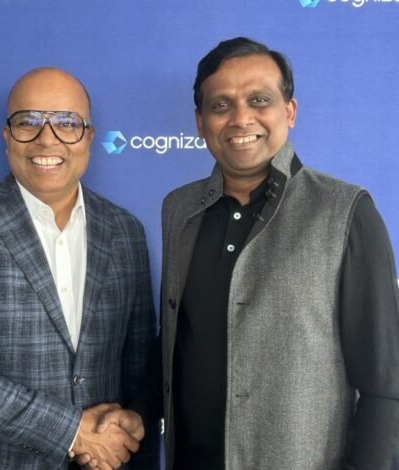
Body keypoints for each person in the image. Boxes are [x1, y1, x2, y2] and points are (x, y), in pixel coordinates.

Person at [158, 37, 399, 469]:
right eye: (221, 105)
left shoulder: (345, 212)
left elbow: (385, 384)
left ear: (289, 111)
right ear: (200, 122)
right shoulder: (179, 209)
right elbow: (179, 343)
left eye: (259, 99)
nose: (240, 118)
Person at [0, 67, 161, 470]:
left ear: (88, 137)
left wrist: (133, 421)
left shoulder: (125, 231)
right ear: (7, 136)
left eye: (67, 123)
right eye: (28, 122)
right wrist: (71, 431)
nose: (47, 139)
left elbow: (139, 366)